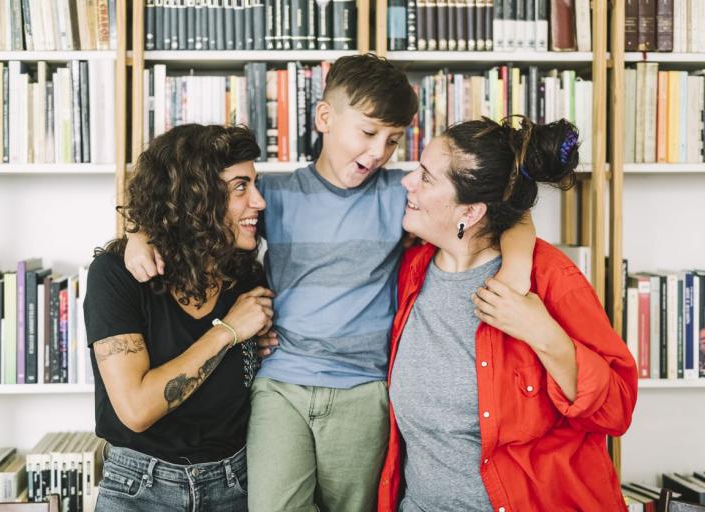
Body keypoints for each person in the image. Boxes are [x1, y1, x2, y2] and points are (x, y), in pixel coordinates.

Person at [124, 54, 535, 512]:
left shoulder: (401, 195)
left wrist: (517, 266)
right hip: (282, 384)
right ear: (325, 117)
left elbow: (503, 210)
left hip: (363, 390)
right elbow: (190, 212)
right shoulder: (273, 197)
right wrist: (137, 234)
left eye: (393, 140)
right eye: (368, 132)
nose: (379, 152)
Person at [378, 117, 639, 512]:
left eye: (426, 178)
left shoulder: (550, 278)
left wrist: (543, 333)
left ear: (471, 210)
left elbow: (616, 410)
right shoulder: (408, 272)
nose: (407, 182)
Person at [83, 124, 274, 512]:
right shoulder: (118, 274)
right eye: (240, 187)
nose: (259, 201)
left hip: (236, 483)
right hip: (140, 488)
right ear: (194, 197)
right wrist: (228, 332)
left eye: (255, 184)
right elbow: (136, 410)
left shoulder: (247, 273)